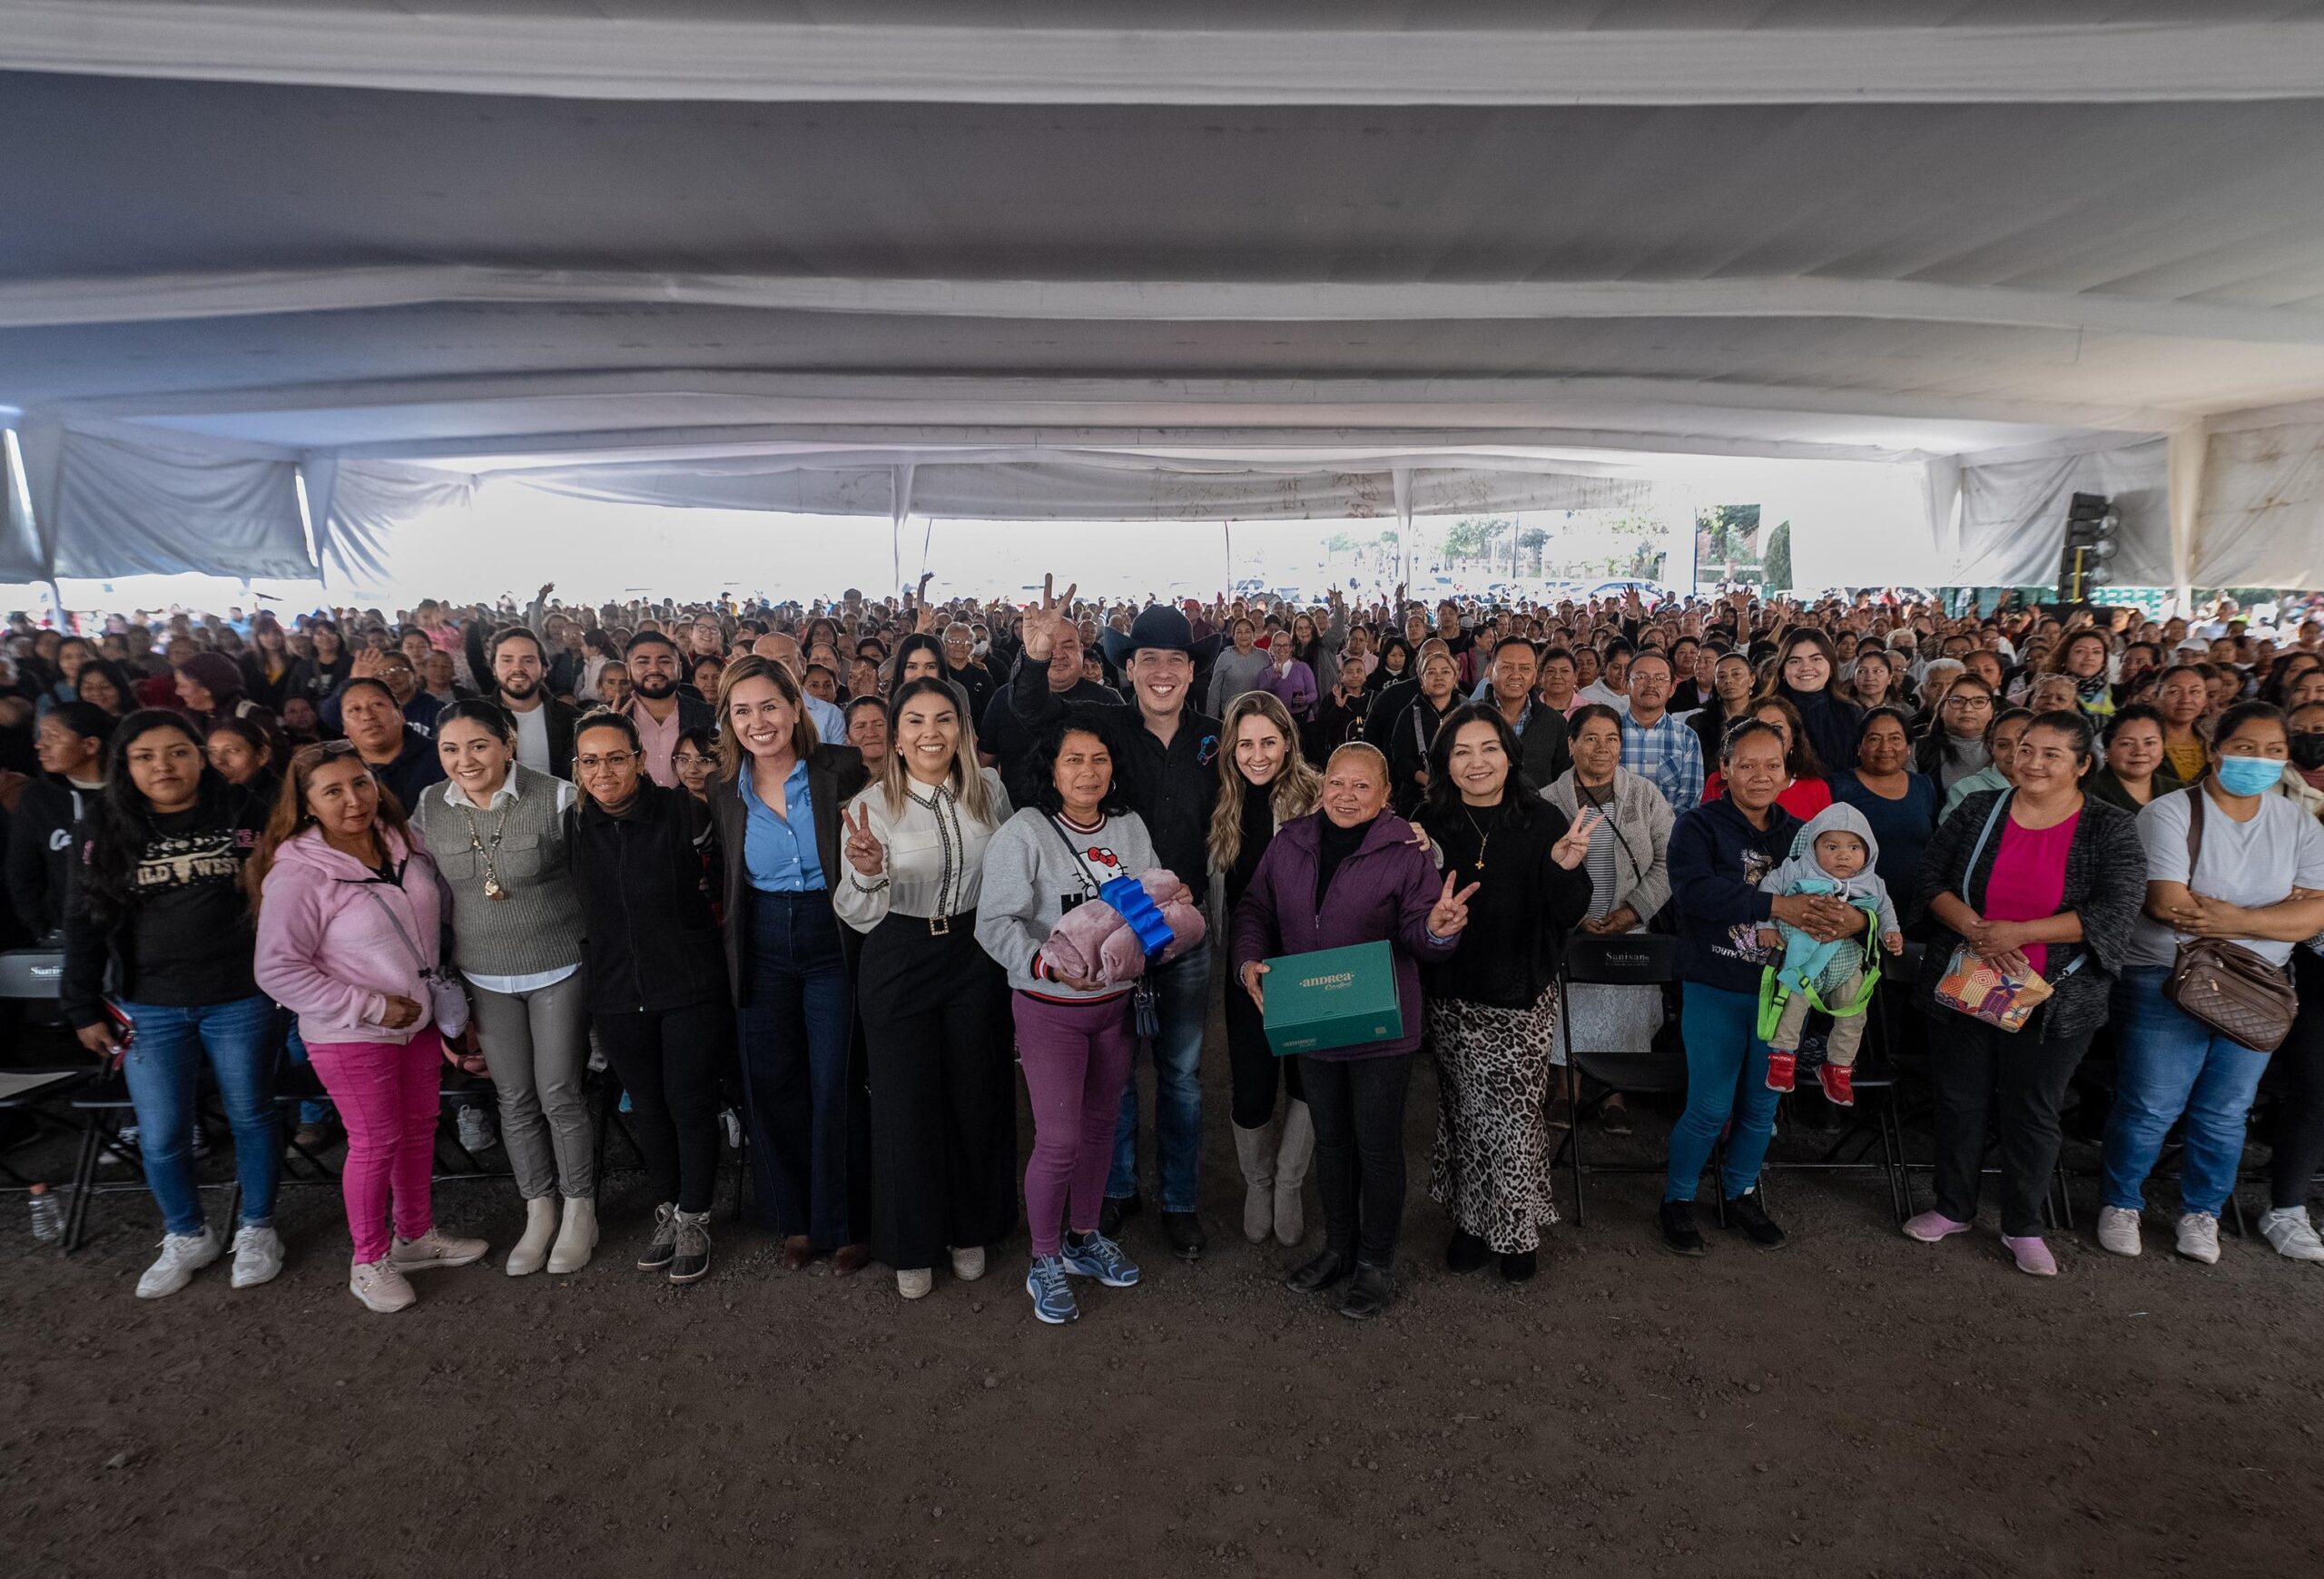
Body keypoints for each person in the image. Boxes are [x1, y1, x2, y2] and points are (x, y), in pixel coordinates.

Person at [1010, 582, 1222, 1258]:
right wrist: (1035, 657)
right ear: (1129, 668)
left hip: (1183, 932)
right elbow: (1034, 715)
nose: (1162, 671)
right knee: (1116, 1072)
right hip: (1113, 932)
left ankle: (1181, 1201)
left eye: (1176, 660)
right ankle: (1120, 1186)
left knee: (1184, 1074)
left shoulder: (1218, 740)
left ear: (1193, 671)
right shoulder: (1105, 724)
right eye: (1148, 658)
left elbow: (1284, 783)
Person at [1233, 742, 1472, 1318]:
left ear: (1387, 795)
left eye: (1362, 786)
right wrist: (1248, 961)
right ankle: (1338, 1248)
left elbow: (1420, 934)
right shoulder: (1290, 841)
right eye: (1337, 782)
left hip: (1381, 1026)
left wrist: (1438, 928)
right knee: (1333, 1141)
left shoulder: (1406, 852)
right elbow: (1254, 910)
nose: (1346, 795)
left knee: (1377, 1143)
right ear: (1322, 786)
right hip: (1312, 1018)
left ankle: (1375, 1261)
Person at [251, 740, 489, 1311]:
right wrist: (372, 1007)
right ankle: (368, 1259)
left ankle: (414, 1236)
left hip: (421, 1022)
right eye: (332, 791)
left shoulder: (402, 841)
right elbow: (276, 970)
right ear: (307, 804)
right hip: (351, 1033)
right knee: (375, 1141)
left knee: (417, 1129)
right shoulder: (299, 874)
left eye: (360, 783)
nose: (353, 799)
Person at [1903, 710, 2143, 1275]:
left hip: (2055, 995)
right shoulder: (1979, 811)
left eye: (2051, 754)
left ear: (2083, 765)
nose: (2032, 762)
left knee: (2032, 1110)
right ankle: (1952, 1207)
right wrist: (1974, 928)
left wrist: (2024, 932)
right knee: (1960, 1101)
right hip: (1968, 980)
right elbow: (1930, 880)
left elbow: (2117, 907)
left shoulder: (2109, 827)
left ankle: (2022, 1226)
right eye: (2026, 749)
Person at [58, 711, 281, 1299]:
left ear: (200, 755)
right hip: (148, 1006)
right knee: (159, 1134)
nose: (164, 765)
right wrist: (81, 1006)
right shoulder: (102, 827)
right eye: (146, 756)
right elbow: (80, 922)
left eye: (178, 751)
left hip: (242, 996)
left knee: (252, 1115)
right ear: (124, 765)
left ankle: (258, 1226)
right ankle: (187, 1232)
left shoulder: (244, 813)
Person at [2100, 702, 2324, 1265]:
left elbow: (2316, 915)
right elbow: (2169, 904)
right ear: (2216, 747)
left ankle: (2202, 1213)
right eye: (2247, 748)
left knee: (2227, 1109)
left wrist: (2233, 918)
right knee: (2152, 1102)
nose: (2261, 761)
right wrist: (2276, 912)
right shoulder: (2171, 813)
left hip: (2258, 987)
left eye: (2275, 752)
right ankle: (2121, 1200)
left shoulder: (2297, 822)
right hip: (2167, 975)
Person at [833, 677, 1019, 1301]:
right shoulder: (869, 807)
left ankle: (972, 1227)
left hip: (975, 950)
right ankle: (912, 1241)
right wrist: (865, 873)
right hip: (900, 952)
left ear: (963, 730)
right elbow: (858, 915)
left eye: (943, 719)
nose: (930, 732)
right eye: (915, 720)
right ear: (896, 732)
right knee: (904, 1103)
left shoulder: (991, 792)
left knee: (975, 1090)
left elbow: (1016, 870)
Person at [975, 716, 1157, 1325]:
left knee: (1104, 1125)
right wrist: (1049, 968)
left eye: (1099, 758)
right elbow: (994, 923)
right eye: (1074, 759)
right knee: (1060, 1139)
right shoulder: (1026, 831)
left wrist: (1159, 937)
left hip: (1114, 1006)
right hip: (1050, 1008)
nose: (1088, 771)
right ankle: (1044, 1257)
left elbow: (1152, 898)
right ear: (1051, 769)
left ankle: (1083, 1238)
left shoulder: (1129, 827)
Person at [411, 699, 595, 1278]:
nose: (464, 760)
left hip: (558, 965)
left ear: (508, 743)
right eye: (450, 749)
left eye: (478, 745)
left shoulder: (558, 796)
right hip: (483, 975)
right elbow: (421, 894)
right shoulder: (428, 808)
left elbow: (594, 879)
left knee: (560, 1092)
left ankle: (580, 1209)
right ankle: (537, 1208)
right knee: (513, 1100)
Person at [1660, 719, 1855, 1257]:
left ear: (1789, 771)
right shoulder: (1697, 827)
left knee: (1761, 1108)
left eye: (1772, 765)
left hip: (1782, 995)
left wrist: (1856, 921)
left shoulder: (1802, 835)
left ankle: (1740, 1193)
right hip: (1714, 985)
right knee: (1709, 1106)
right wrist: (1777, 906)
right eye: (1746, 764)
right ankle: (1676, 1200)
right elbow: (1695, 894)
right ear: (1725, 770)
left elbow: (1849, 886)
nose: (1760, 775)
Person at [1414, 708, 1594, 1282]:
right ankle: (1469, 1222)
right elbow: (1409, 909)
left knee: (1515, 1118)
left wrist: (1566, 870)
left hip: (1521, 994)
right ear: (1446, 762)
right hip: (1454, 994)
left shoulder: (1543, 820)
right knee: (1464, 1115)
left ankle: (1516, 1230)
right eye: (1462, 752)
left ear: (1510, 755)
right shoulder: (1429, 820)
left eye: (1488, 748)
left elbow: (1568, 913)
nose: (1476, 763)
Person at [710, 655, 872, 1272]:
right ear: (729, 719)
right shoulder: (723, 788)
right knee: (774, 1083)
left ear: (796, 707)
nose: (759, 721)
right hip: (760, 941)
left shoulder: (841, 769)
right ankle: (797, 1215)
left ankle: (847, 1218)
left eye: (770, 705)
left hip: (830, 930)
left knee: (835, 1079)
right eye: (743, 710)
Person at [567, 710, 728, 1284]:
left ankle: (695, 1214)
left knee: (689, 1102)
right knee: (649, 1106)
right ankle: (667, 1207)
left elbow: (720, 891)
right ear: (578, 768)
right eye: (590, 761)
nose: (603, 771)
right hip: (615, 992)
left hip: (687, 986)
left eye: (616, 758)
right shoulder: (574, 825)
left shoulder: (684, 813)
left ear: (640, 759)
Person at [1207, 691, 1323, 1247]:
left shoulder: (1319, 796)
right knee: (1252, 1079)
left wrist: (1420, 838)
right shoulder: (1220, 799)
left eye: (1269, 742)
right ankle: (1258, 1181)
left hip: (1306, 961)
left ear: (1288, 743)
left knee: (1306, 1074)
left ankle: (1291, 1181)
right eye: (1246, 743)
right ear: (1231, 747)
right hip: (1246, 960)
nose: (1257, 755)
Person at [1541, 703, 1673, 1134]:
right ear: (1571, 745)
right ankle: (1566, 1089)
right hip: (1571, 926)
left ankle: (1614, 1092)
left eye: (1612, 739)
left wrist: (1632, 911)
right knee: (1570, 1006)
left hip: (1627, 924)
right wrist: (1573, 916)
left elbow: (1670, 862)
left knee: (1623, 1009)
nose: (1602, 748)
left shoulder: (1645, 795)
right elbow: (1540, 870)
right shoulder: (1547, 801)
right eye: (1591, 739)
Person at [1754, 804, 1905, 1105]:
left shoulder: (1872, 883)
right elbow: (1766, 888)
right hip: (1804, 962)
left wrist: (1891, 933)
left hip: (1847, 964)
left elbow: (1885, 909)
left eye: (1854, 847)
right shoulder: (1798, 869)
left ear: (1868, 851)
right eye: (1831, 846)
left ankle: (1838, 1067)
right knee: (1790, 1006)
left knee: (1853, 1014)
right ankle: (1783, 1058)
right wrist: (1766, 924)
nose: (1843, 855)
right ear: (1813, 846)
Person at [9, 702, 113, 942]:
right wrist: (42, 927)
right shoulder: (38, 799)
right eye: (40, 735)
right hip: (65, 932)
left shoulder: (128, 794)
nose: (39, 744)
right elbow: (21, 871)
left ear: (90, 745)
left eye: (52, 736)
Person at [1829, 706, 1941, 913]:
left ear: (1909, 747)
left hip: (1920, 908)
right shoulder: (1838, 786)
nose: (1885, 747)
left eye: (1895, 738)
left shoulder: (1924, 786)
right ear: (1859, 746)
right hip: (1859, 909)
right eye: (1874, 739)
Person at [465, 624, 578, 780]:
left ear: (544, 669)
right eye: (507, 660)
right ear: (493, 669)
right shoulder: (472, 717)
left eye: (528, 660)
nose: (517, 668)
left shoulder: (571, 719)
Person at [1701, 697, 1832, 820]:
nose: (1768, 735)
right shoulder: (1718, 782)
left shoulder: (1817, 789)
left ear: (1793, 738)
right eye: (1761, 726)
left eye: (1777, 728)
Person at [619, 630, 717, 788]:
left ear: (679, 669)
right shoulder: (608, 715)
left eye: (664, 661)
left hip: (694, 809)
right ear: (628, 669)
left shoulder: (708, 715)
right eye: (643, 662)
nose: (654, 669)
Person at [340, 676, 447, 813]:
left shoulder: (443, 758)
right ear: (344, 727)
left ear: (401, 714)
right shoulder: (339, 772)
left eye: (377, 704)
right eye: (354, 709)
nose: (367, 716)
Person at [1765, 629, 1865, 775]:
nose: (1806, 667)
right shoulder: (1764, 713)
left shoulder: (1853, 712)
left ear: (1831, 666)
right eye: (1794, 661)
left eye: (1816, 659)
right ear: (1783, 670)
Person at [1478, 636, 1571, 790]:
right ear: (1490, 671)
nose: (1516, 675)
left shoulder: (1554, 721)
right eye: (1507, 667)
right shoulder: (1470, 718)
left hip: (1536, 811)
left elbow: (1562, 780)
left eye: (1524, 668)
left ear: (1535, 675)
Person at [1617, 649, 1704, 813]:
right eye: (1641, 677)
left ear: (1672, 689)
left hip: (1669, 834)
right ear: (1625, 685)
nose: (1651, 684)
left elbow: (1690, 801)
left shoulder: (1687, 738)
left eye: (1660, 678)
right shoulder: (1609, 732)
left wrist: (1663, 833)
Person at [1388, 646, 1462, 817]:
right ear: (1422, 681)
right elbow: (1401, 758)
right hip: (1418, 797)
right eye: (1431, 673)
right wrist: (1429, 782)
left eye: (1445, 672)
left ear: (1455, 679)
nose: (1438, 677)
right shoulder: (1408, 714)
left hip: (1461, 794)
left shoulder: (1467, 712)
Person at [2085, 704, 2185, 814]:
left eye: (2150, 743)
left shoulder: (2180, 792)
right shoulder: (2088, 796)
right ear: (2107, 750)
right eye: (2127, 744)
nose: (2140, 752)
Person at [1940, 707, 2032, 819]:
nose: (2014, 753)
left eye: (2024, 744)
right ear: (1991, 747)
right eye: (2003, 745)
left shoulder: (2054, 789)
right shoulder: (1966, 790)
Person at [1686, 651, 1755, 767]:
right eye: (1721, 676)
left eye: (1736, 674)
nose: (1728, 681)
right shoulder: (1697, 722)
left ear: (1752, 679)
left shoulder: (1765, 716)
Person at [2152, 664, 2211, 785]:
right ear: (2156, 697)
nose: (2186, 699)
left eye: (2195, 692)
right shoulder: (2144, 744)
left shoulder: (2213, 744)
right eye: (2175, 692)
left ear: (2205, 699)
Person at [1206, 616, 1271, 715]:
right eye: (1239, 632)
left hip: (1259, 714)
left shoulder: (1264, 656)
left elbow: (1272, 686)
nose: (1243, 635)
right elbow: (1214, 690)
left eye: (1247, 632)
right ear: (1233, 635)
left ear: (1253, 634)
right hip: (1231, 714)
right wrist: (1211, 720)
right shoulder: (1225, 657)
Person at [671, 725, 718, 804]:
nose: (692, 770)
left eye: (703, 760)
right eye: (683, 759)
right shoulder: (668, 804)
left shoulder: (737, 805)